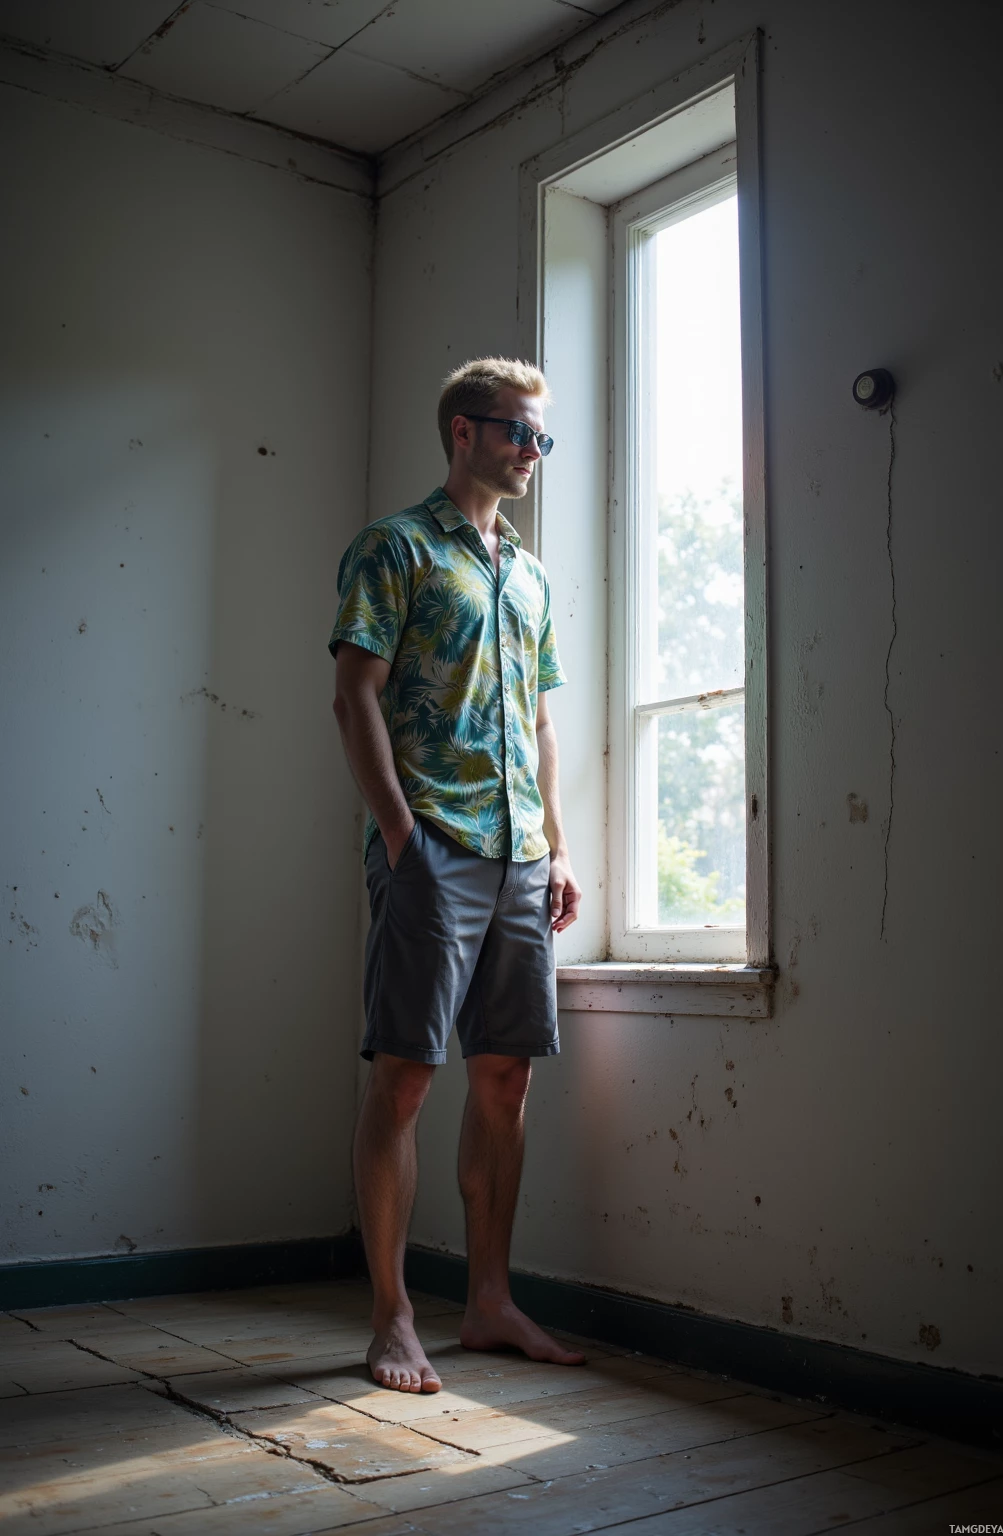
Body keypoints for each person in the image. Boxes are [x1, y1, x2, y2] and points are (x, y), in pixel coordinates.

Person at [330, 356, 583, 1394]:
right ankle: (392, 1317)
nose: (532, 451)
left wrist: (558, 844)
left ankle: (487, 1303)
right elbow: (355, 697)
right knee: (406, 1076)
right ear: (463, 433)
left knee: (505, 1076)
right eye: (518, 432)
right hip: (433, 842)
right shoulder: (393, 547)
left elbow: (539, 719)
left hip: (522, 852)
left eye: (541, 437)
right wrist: (400, 836)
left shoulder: (529, 574)